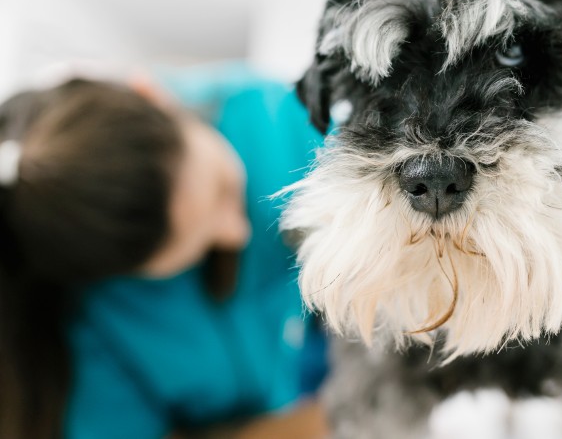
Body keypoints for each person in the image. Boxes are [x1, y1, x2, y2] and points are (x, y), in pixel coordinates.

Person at [0, 63, 329, 439]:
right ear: (118, 277)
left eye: (223, 190)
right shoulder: (88, 339)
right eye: (196, 247)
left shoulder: (275, 121)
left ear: (152, 95)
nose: (236, 234)